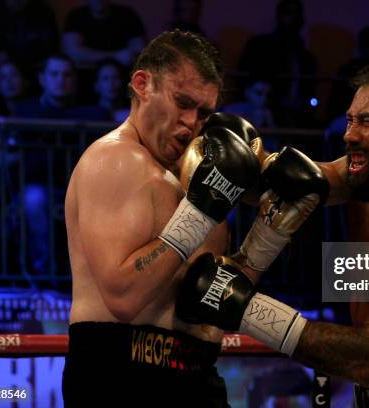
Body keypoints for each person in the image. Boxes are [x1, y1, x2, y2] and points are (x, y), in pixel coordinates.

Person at [177, 64, 369, 407]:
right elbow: (292, 183)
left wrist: (242, 306)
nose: (349, 135)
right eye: (350, 120)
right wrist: (227, 154)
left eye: (367, 122)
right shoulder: (368, 180)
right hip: (368, 394)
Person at [62, 29, 266, 407]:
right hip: (124, 374)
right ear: (143, 85)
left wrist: (273, 230)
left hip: (198, 373)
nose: (191, 123)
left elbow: (218, 296)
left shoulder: (197, 181)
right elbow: (124, 297)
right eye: (182, 102)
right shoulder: (116, 160)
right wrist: (199, 213)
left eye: (204, 113)